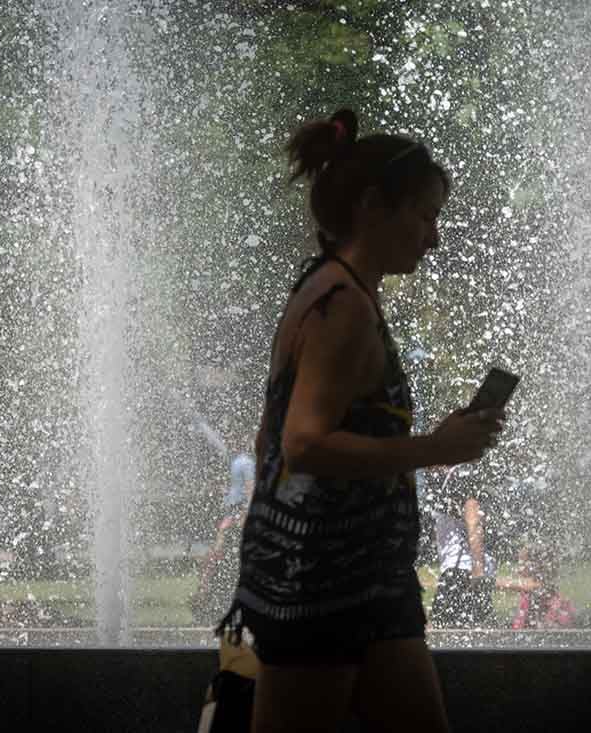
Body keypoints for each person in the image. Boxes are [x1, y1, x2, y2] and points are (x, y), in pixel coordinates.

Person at [215, 108, 503, 733]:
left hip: (362, 577)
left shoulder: (330, 289)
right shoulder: (341, 306)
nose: (433, 237)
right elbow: (304, 443)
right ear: (375, 206)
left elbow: (274, 437)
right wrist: (433, 448)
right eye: (424, 215)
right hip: (322, 580)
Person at [191, 450, 255, 625]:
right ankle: (216, 605)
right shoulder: (238, 461)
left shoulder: (245, 462)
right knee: (222, 562)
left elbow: (249, 488)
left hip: (237, 514)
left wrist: (245, 513)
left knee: (226, 563)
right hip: (235, 516)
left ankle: (217, 606)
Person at [429, 464, 496, 628]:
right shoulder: (463, 475)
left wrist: (477, 572)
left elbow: (474, 523)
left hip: (463, 572)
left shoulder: (462, 474)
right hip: (472, 570)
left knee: (441, 635)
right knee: (473, 636)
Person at [498, 542, 576, 630]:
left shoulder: (542, 592)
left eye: (522, 565)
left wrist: (487, 582)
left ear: (537, 567)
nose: (518, 570)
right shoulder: (529, 596)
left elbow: (503, 583)